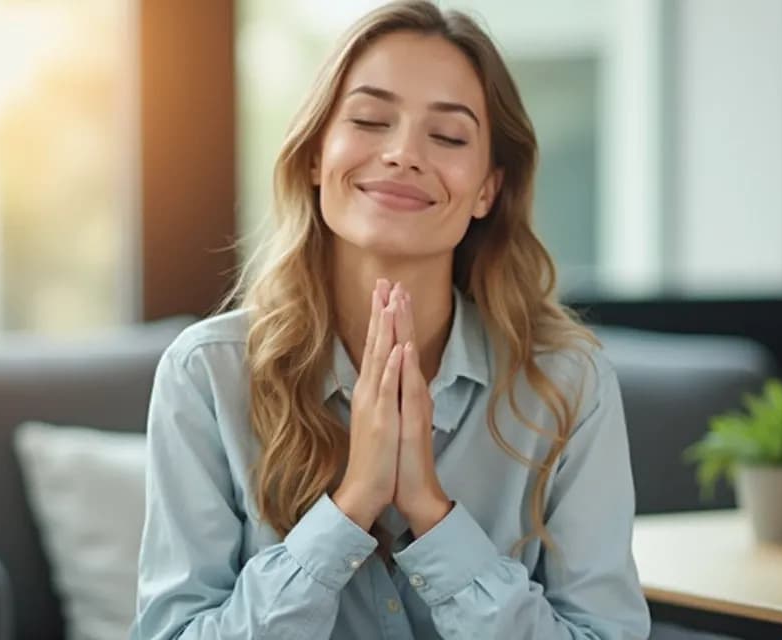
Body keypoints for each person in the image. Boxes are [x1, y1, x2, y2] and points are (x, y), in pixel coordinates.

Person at [131, 2, 650, 638]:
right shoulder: (206, 374)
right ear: (318, 155)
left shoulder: (569, 384)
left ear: (488, 188)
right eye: (372, 120)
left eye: (450, 136)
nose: (403, 154)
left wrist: (431, 511)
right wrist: (350, 508)